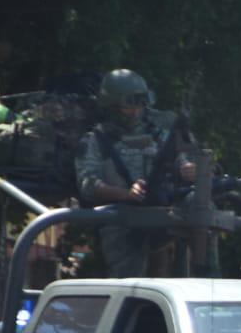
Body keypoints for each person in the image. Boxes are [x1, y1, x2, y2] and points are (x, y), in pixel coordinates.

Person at [75, 68, 197, 277]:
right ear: (112, 106)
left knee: (201, 207)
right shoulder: (96, 140)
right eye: (128, 106)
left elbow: (182, 161)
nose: (136, 112)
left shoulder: (159, 135)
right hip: (121, 221)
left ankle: (209, 276)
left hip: (162, 215)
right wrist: (125, 194)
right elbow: (87, 184)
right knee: (128, 288)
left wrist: (187, 170)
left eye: (140, 105)